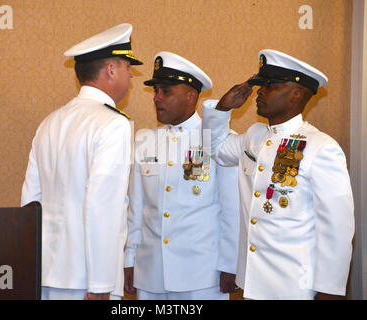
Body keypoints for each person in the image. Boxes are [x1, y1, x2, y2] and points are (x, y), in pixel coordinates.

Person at [203, 49, 354, 300]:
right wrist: (222, 109)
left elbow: (336, 229)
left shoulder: (321, 147)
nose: (260, 91)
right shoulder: (254, 135)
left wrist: (330, 291)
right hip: (251, 283)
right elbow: (214, 150)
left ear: (296, 94)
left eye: (270, 85)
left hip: (293, 287)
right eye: (262, 85)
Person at [21, 23, 143, 300]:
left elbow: (30, 204)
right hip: (88, 281)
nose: (131, 76)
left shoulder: (50, 123)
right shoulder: (113, 125)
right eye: (127, 68)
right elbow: (102, 205)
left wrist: (30, 269)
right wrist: (100, 285)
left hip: (46, 274)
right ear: (111, 70)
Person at [124, 52, 240, 300]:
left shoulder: (216, 140)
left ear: (191, 96)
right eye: (156, 90)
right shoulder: (145, 142)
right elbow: (137, 207)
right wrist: (130, 259)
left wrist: (231, 265)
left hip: (201, 276)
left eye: (165, 91)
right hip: (151, 273)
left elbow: (231, 208)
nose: (156, 98)